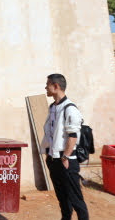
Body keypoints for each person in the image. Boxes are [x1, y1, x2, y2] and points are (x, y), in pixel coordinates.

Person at [42, 74, 89, 220]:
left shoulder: (70, 109)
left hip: (66, 160)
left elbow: (73, 136)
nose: (46, 88)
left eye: (47, 85)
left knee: (75, 199)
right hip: (54, 159)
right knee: (62, 197)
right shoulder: (53, 107)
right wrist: (49, 155)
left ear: (56, 87)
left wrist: (65, 157)